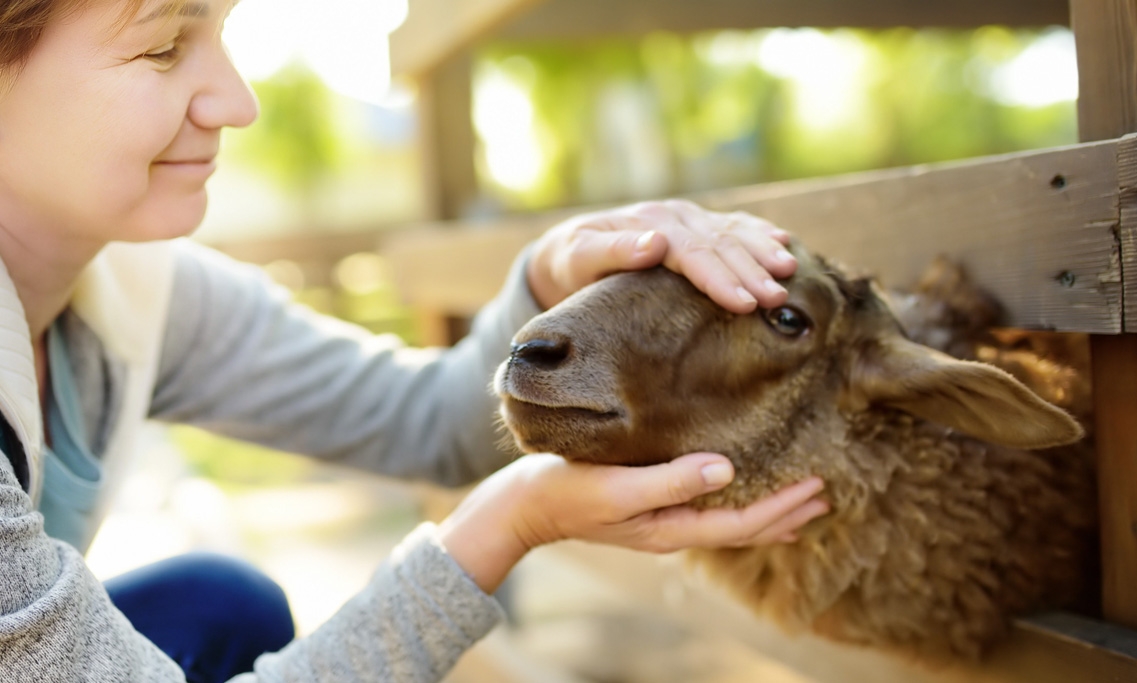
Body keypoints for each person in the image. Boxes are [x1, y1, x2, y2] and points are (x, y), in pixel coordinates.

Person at [0, 0, 830, 681]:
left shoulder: (137, 289)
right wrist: (510, 524)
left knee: (219, 608)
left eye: (223, 36)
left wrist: (552, 277)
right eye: (164, 48)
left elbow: (424, 420)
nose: (238, 102)